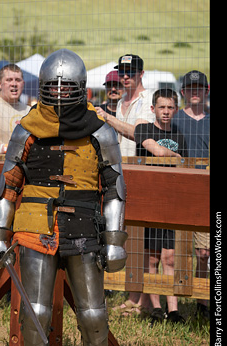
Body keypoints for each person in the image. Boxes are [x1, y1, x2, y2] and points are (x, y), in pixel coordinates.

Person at [0, 49, 128, 346]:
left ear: (81, 89)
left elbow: (114, 189)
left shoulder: (101, 131)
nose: (61, 94)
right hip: (36, 226)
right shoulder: (27, 129)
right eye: (53, 87)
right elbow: (8, 185)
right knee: (37, 310)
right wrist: (0, 235)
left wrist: (114, 241)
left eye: (68, 88)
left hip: (83, 226)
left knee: (93, 311)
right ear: (44, 88)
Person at [96, 54, 155, 314]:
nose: (125, 76)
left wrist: (106, 118)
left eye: (130, 71)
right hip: (120, 170)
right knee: (127, 232)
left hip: (142, 170)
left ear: (141, 73)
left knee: (142, 235)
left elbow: (138, 133)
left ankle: (139, 298)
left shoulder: (147, 99)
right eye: (122, 71)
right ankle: (134, 295)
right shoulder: (121, 102)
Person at [134, 88, 188, 324]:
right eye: (161, 107)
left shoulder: (179, 134)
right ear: (152, 108)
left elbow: (185, 167)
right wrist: (175, 157)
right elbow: (156, 150)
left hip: (172, 202)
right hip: (149, 201)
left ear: (175, 109)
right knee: (152, 258)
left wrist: (179, 160)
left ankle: (173, 309)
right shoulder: (145, 129)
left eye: (170, 107)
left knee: (170, 257)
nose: (165, 112)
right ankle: (155, 307)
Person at [172, 70, 210, 319]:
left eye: (199, 88)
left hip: (205, 192)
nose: (194, 92)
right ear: (183, 92)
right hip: (177, 191)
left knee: (203, 253)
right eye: (190, 88)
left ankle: (202, 300)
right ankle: (172, 307)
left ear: (207, 91)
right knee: (172, 251)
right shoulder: (173, 121)